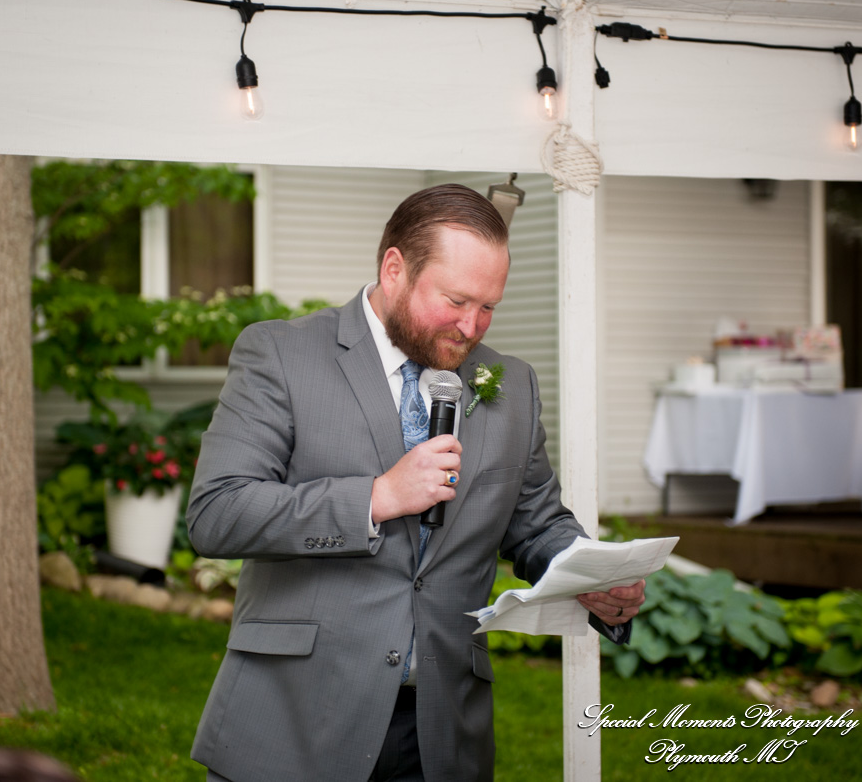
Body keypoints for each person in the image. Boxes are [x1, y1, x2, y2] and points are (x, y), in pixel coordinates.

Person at [186, 183, 645, 782]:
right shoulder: (281, 353)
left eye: (489, 307)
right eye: (456, 300)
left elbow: (535, 522)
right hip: (297, 718)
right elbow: (218, 513)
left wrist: (591, 574)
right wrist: (377, 498)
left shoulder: (511, 384)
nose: (471, 326)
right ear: (395, 268)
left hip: (440, 733)